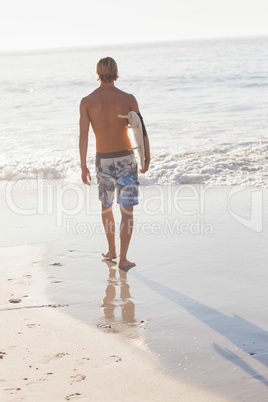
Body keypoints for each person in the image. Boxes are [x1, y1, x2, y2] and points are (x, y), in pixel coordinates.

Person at [79, 57, 150, 269]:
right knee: (127, 210)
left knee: (106, 206)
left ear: (98, 72)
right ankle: (123, 259)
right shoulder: (128, 98)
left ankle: (111, 249)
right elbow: (141, 130)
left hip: (103, 160)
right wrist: (147, 157)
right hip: (126, 159)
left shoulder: (87, 101)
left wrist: (83, 166)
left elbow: (83, 136)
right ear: (116, 71)